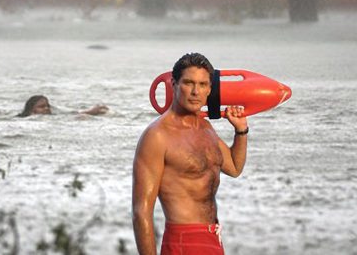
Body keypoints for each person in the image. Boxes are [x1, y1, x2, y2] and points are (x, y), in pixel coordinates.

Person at [132, 53, 248, 255]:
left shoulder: (206, 129)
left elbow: (235, 168)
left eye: (203, 84)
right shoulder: (158, 136)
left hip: (213, 239)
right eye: (189, 83)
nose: (196, 91)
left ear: (210, 89)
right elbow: (141, 212)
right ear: (174, 84)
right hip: (183, 242)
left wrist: (241, 131)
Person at [16, 95, 109, 117]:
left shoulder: (53, 116)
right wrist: (90, 112)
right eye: (41, 107)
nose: (46, 108)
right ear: (31, 110)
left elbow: (70, 115)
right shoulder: (23, 119)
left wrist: (91, 112)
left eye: (48, 106)